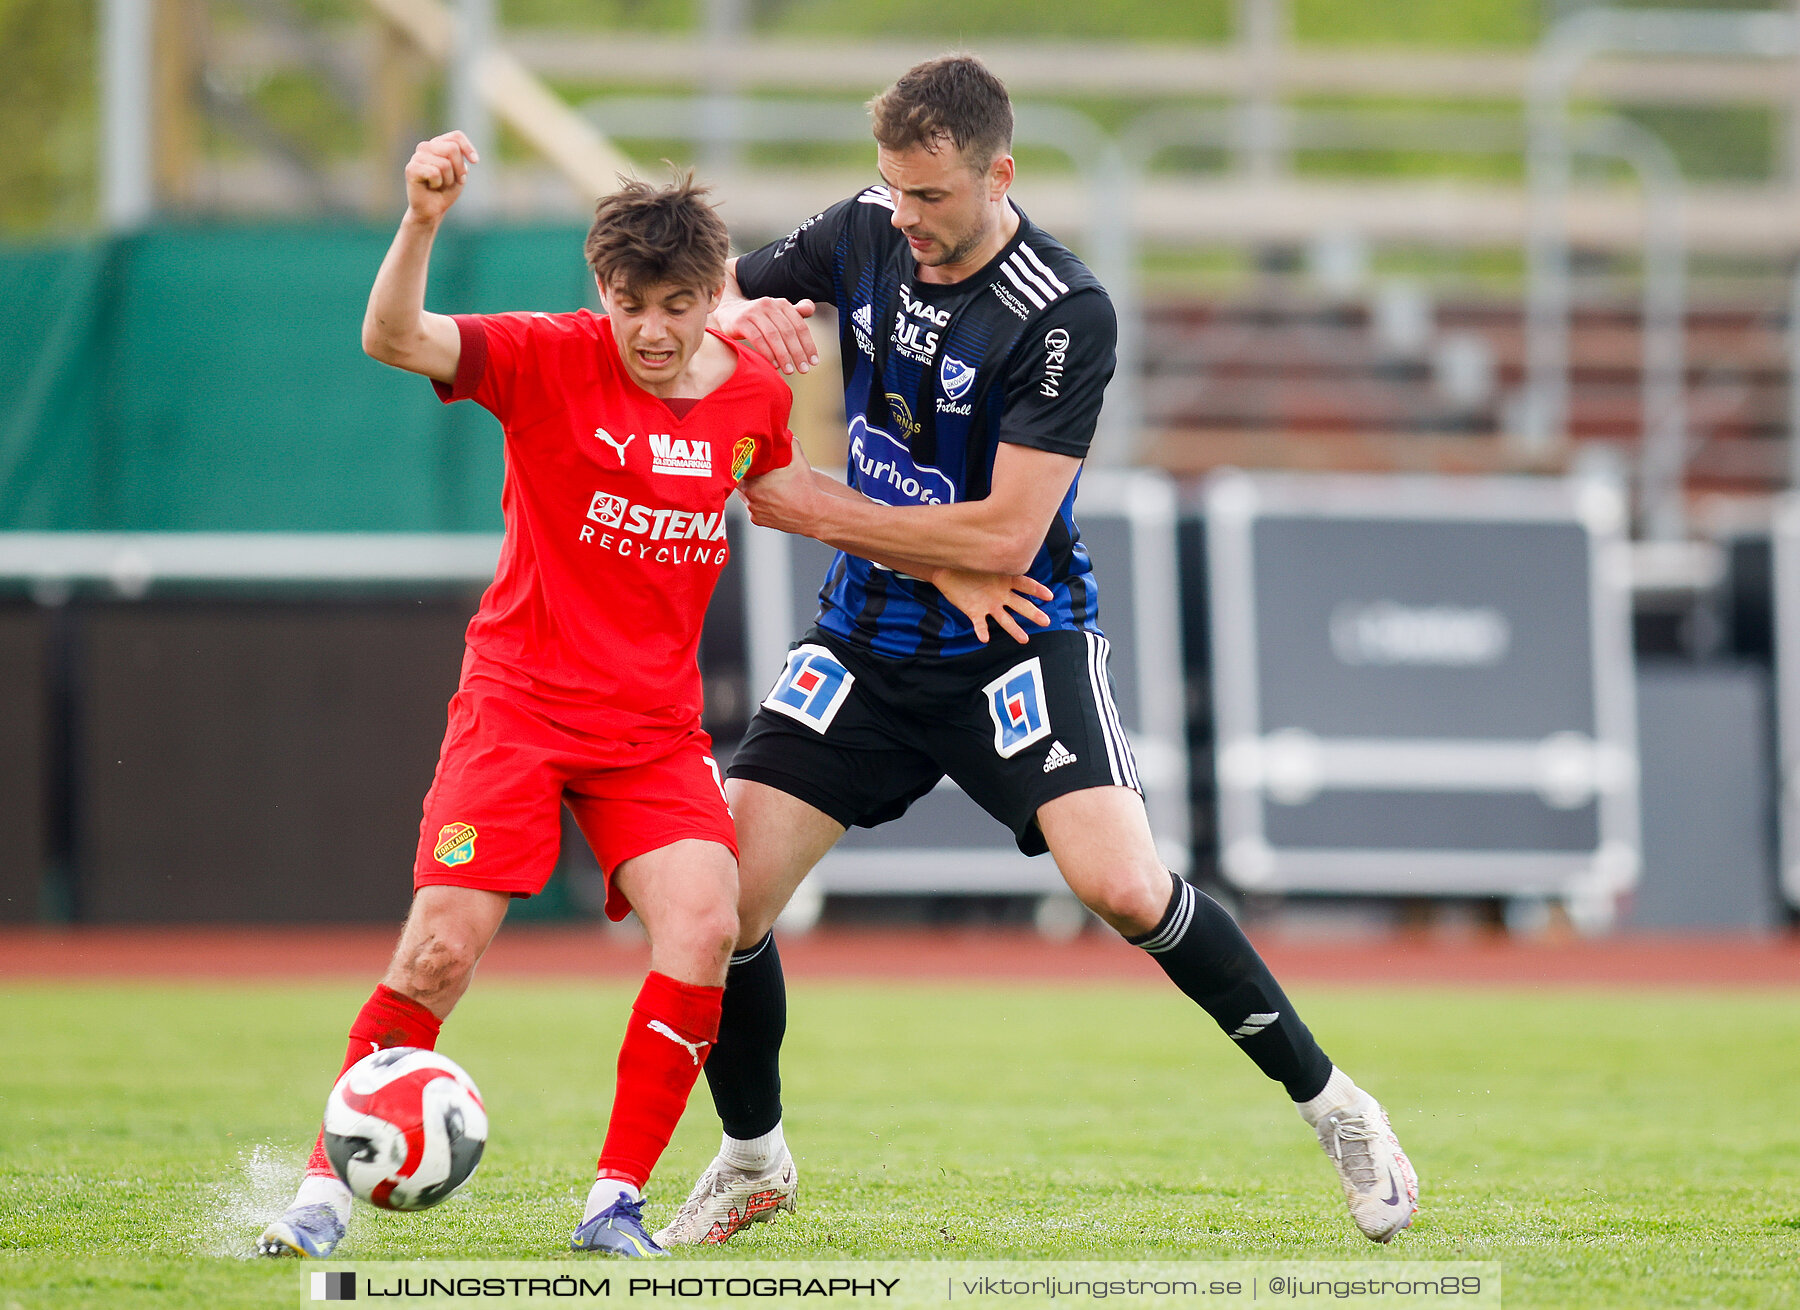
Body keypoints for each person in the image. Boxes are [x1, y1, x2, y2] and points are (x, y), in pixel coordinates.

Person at [654, 55, 1421, 1249]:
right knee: (720, 902)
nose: (905, 219)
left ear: (998, 173)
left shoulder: (1065, 310)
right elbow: (677, 314)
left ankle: (1338, 1107)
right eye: (893, 192)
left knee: (1123, 886)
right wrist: (730, 310)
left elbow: (1006, 540)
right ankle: (753, 1155)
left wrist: (814, 505)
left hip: (1015, 635)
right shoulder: (860, 229)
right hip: (866, 634)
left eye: (931, 197)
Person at [257, 134, 816, 1260]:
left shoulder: (753, 391)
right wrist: (420, 216)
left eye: (676, 304)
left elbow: (778, 482)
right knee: (437, 954)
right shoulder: (545, 355)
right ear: (597, 289)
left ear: (713, 297)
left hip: (653, 734)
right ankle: (323, 1191)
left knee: (707, 920)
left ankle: (616, 1201)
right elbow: (391, 336)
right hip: (517, 707)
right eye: (628, 302)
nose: (650, 330)